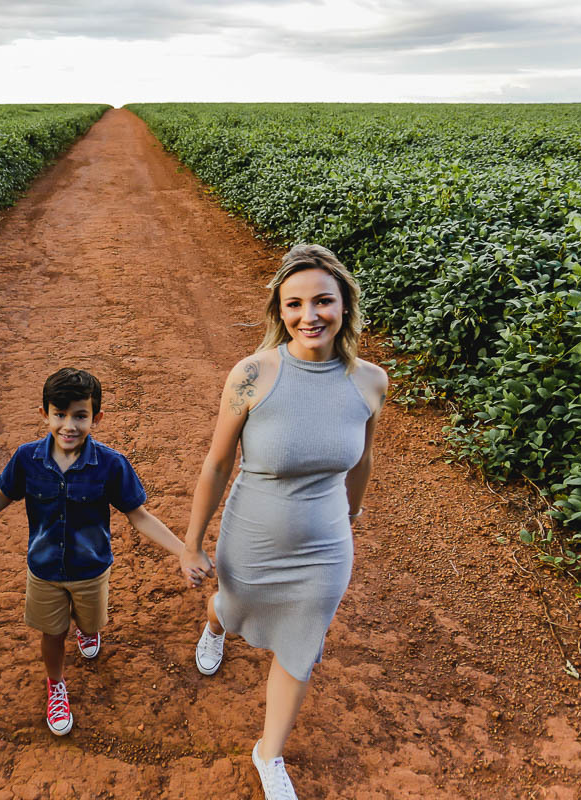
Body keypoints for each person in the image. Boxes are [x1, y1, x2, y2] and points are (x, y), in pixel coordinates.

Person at [180, 244, 387, 800]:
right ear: (279, 310)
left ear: (345, 304)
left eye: (323, 300)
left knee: (302, 643)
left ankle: (268, 753)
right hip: (252, 536)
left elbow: (362, 460)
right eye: (294, 304)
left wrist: (352, 514)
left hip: (325, 547)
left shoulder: (370, 382)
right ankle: (217, 624)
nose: (309, 315)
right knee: (231, 601)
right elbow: (218, 462)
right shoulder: (252, 374)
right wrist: (192, 544)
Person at [0, 367, 206, 736]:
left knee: (91, 623)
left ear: (97, 417)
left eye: (80, 416)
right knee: (52, 633)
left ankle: (87, 630)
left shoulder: (111, 465)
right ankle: (56, 682)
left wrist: (183, 551)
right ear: (44, 413)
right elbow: (2, 496)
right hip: (44, 570)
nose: (69, 426)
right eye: (59, 415)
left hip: (91, 569)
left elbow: (138, 515)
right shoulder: (27, 459)